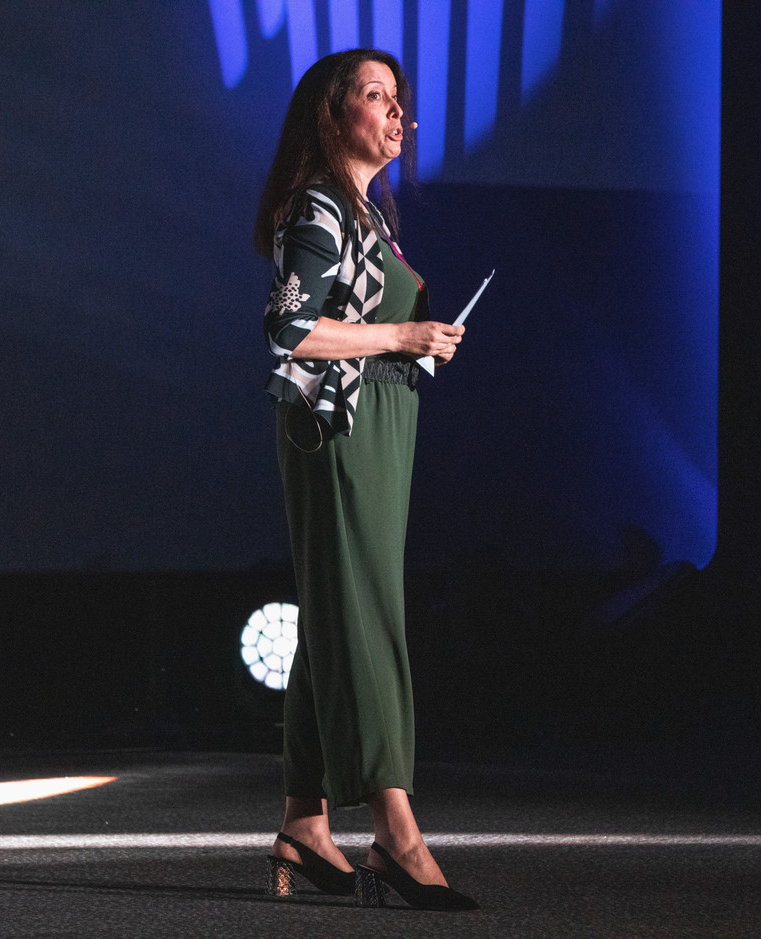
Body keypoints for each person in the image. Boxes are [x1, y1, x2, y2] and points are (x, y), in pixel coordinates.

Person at [255, 48, 476, 911]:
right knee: (367, 609)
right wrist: (402, 338)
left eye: (400, 100)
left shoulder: (366, 211)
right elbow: (288, 330)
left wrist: (420, 341)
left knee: (336, 609)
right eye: (375, 96)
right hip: (338, 429)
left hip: (381, 420)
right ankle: (397, 830)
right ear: (331, 115)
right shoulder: (318, 205)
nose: (396, 113)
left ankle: (303, 822)